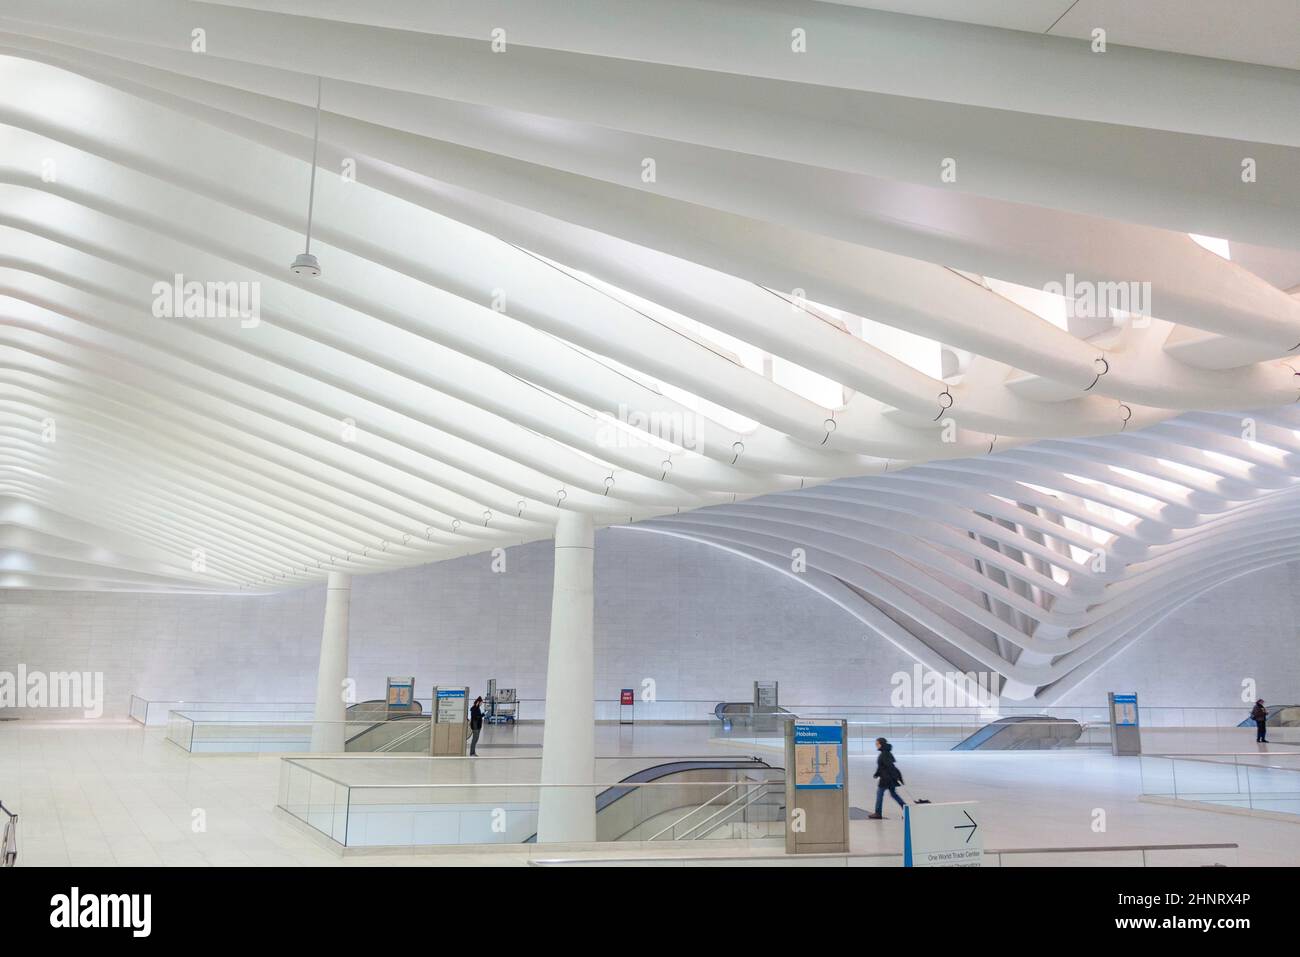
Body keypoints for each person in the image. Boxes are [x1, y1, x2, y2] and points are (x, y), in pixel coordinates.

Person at [868, 736, 906, 819]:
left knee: (879, 794)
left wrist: (879, 774)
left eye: (877, 743)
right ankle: (906, 810)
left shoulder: (884, 754)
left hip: (886, 779)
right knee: (894, 794)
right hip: (889, 778)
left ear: (881, 744)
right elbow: (884, 766)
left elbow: (888, 767)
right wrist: (877, 774)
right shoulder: (886, 752)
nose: (876, 745)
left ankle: (878, 813)